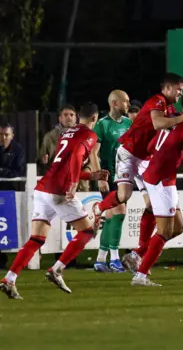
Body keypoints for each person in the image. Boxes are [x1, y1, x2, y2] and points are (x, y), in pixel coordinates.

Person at [0, 105, 109, 300]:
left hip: (43, 189)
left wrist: (90, 175)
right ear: (95, 118)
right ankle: (57, 269)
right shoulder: (89, 134)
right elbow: (75, 158)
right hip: (59, 191)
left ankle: (9, 279)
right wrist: (75, 183)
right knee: (87, 232)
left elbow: (63, 165)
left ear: (78, 117)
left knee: (36, 240)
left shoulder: (67, 134)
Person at [91, 73, 183, 273]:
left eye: (182, 89)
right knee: (124, 196)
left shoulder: (170, 109)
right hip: (129, 153)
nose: (181, 93)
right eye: (178, 88)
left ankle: (135, 255)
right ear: (166, 88)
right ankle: (99, 208)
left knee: (151, 204)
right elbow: (157, 123)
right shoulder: (157, 100)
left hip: (145, 158)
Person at [132, 91, 183, 286]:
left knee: (178, 227)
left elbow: (151, 147)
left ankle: (136, 254)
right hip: (162, 182)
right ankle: (141, 275)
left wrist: (173, 159)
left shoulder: (170, 119)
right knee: (165, 232)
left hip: (155, 176)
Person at [91, 92, 132, 273]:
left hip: (124, 175)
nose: (128, 104)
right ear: (114, 103)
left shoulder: (128, 123)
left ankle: (100, 259)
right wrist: (100, 176)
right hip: (109, 177)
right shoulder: (102, 125)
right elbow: (93, 152)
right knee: (120, 212)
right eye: (126, 101)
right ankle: (115, 259)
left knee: (110, 217)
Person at [0, 123, 26, 191]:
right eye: (1, 134)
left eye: (6, 135)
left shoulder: (18, 150)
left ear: (12, 136)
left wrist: (2, 171)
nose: (3, 137)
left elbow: (19, 171)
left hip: (12, 190)